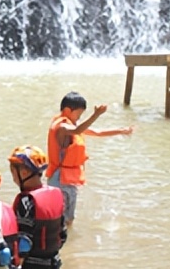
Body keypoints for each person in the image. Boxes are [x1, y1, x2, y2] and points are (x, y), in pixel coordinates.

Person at [46, 92, 132, 228]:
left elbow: (97, 132)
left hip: (70, 179)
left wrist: (121, 130)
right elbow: (77, 130)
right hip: (58, 178)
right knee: (57, 219)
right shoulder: (62, 127)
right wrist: (96, 114)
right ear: (68, 111)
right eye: (78, 115)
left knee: (69, 220)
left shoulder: (73, 125)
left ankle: (68, 244)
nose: (79, 118)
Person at [5, 144, 66, 269]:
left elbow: (24, 241)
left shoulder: (26, 200)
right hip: (52, 265)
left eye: (13, 170)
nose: (12, 175)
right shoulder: (55, 193)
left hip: (31, 268)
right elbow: (62, 235)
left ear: (24, 172)